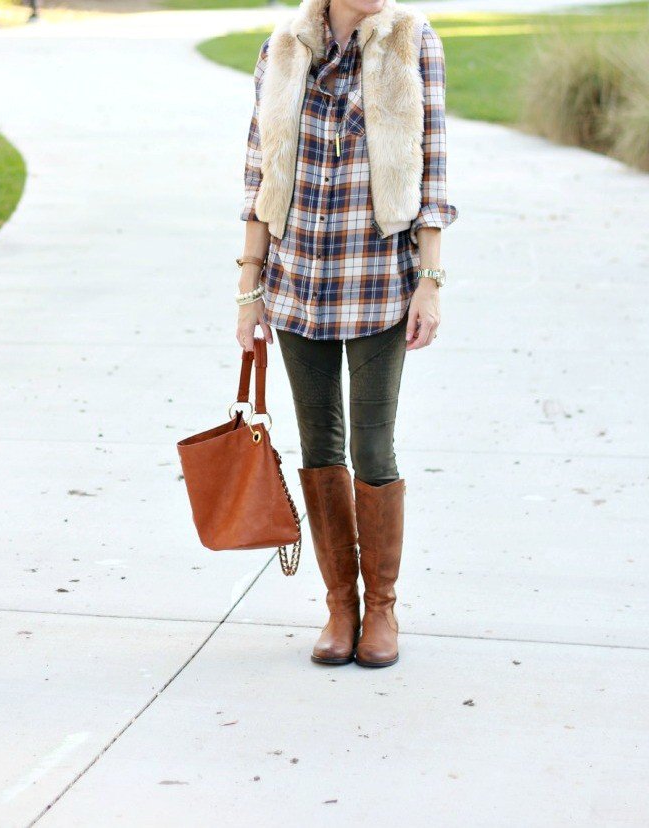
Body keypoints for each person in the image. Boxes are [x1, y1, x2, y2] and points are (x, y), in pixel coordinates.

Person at [235, 0, 458, 667]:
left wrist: (431, 280)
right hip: (298, 274)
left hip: (377, 278)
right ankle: (340, 603)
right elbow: (258, 173)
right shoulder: (283, 47)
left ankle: (382, 607)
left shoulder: (413, 41)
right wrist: (249, 289)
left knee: (373, 445)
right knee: (318, 443)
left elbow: (434, 166)